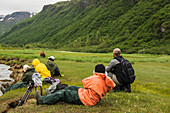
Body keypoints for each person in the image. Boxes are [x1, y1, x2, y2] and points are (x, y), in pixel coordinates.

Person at [36, 64, 116, 106]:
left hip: (87, 100)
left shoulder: (96, 78)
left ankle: (42, 100)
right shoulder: (105, 79)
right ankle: (51, 96)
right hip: (90, 96)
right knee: (71, 87)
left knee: (64, 93)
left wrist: (93, 76)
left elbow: (84, 82)